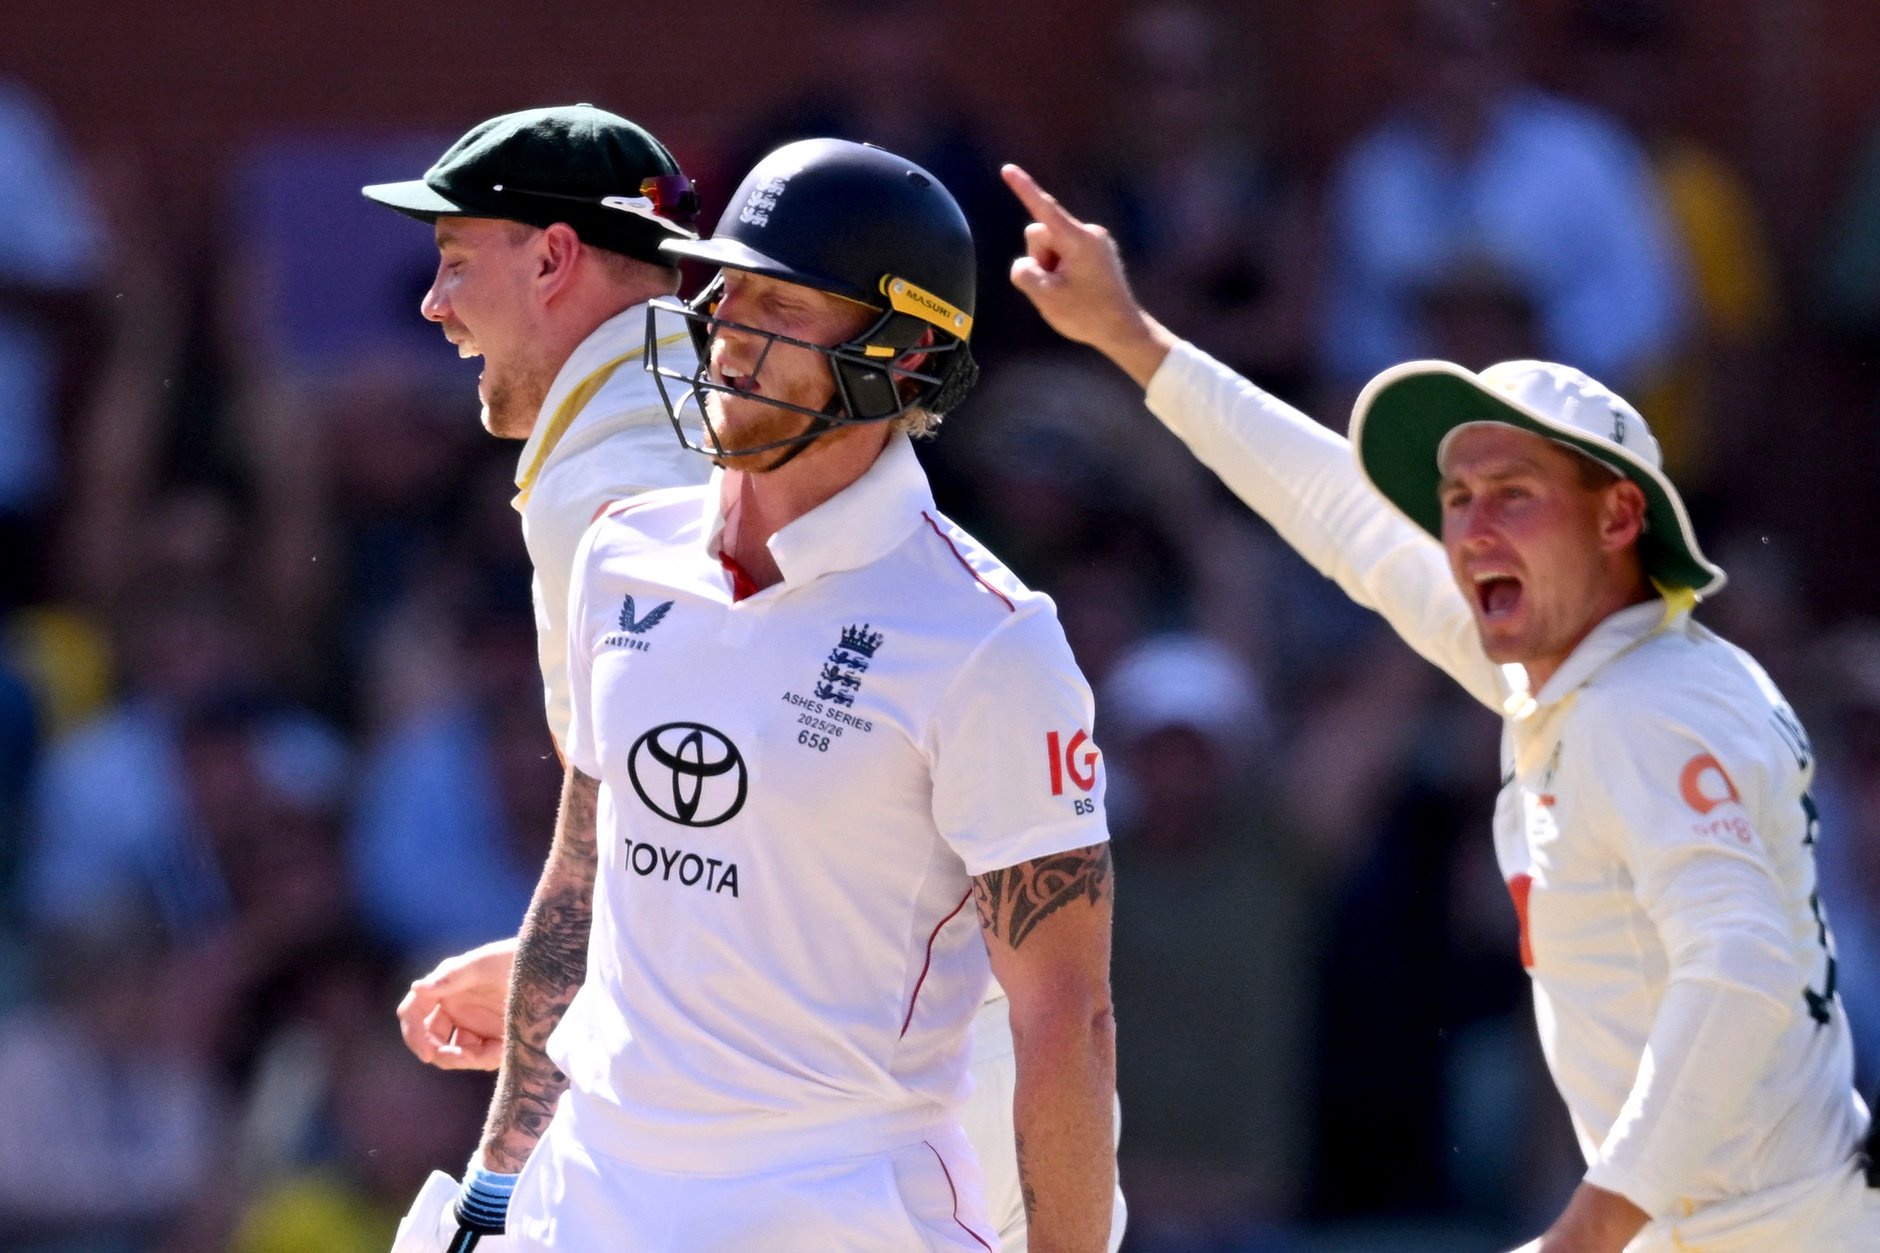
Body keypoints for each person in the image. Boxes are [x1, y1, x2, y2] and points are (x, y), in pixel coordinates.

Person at [1000, 163, 1878, 1251]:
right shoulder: (1602, 662)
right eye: (1457, 500)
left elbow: (1738, 967)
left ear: (1615, 518)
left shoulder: (1642, 708)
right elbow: (1350, 523)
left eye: (1510, 494)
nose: (1465, 531)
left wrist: (1586, 1229)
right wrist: (1133, 338)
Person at [369, 114, 1126, 1251]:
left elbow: (1061, 1018)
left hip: (846, 1203)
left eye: (781, 310)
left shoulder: (989, 639)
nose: (726, 336)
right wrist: (495, 1186)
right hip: (600, 1190)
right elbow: (594, 863)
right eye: (726, 293)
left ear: (901, 355)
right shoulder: (626, 547)